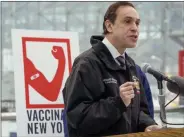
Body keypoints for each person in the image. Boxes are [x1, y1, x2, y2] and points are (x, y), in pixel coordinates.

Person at [63, 2, 161, 137]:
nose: (135, 28)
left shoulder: (131, 66)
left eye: (137, 23)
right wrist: (118, 103)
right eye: (127, 21)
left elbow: (139, 111)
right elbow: (77, 119)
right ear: (109, 26)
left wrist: (148, 125)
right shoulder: (87, 63)